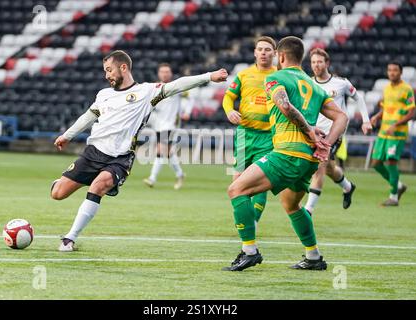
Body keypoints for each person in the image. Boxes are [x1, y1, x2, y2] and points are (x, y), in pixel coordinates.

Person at [51, 50, 228, 252]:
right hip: (93, 153)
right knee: (58, 193)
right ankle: (65, 183)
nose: (106, 75)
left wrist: (208, 76)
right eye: (105, 71)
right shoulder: (104, 95)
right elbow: (88, 116)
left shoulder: (146, 92)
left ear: (123, 67)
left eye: (109, 70)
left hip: (120, 158)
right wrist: (67, 135)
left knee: (99, 186)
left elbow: (177, 85)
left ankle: (69, 238)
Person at [224, 36, 348, 271]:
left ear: (280, 57)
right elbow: (343, 117)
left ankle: (249, 251)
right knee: (291, 205)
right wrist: (327, 143)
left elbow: (285, 106)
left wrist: (311, 133)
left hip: (287, 153)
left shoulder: (275, 78)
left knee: (236, 188)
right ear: (301, 58)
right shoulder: (313, 85)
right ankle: (313, 257)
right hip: (309, 160)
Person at [304, 48, 373, 215]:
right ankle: (348, 187)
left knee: (319, 166)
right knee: (329, 168)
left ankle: (308, 210)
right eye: (313, 62)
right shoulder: (308, 83)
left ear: (327, 63)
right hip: (315, 132)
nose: (316, 65)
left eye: (319, 61)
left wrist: (366, 120)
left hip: (334, 133)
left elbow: (358, 98)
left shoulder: (341, 83)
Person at [222, 36, 277, 224]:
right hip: (244, 134)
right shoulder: (244, 75)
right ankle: (245, 219)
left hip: (268, 137)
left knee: (260, 180)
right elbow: (228, 97)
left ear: (275, 53)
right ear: (254, 52)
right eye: (260, 49)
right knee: (237, 181)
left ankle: (251, 223)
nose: (263, 52)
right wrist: (229, 111)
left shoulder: (280, 76)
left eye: (267, 49)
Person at [370, 62, 415, 206]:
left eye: (395, 70)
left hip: (397, 133)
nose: (392, 73)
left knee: (391, 161)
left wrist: (396, 125)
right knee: (376, 163)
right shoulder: (386, 89)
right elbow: (387, 109)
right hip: (384, 131)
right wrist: (377, 116)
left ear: (400, 73)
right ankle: (399, 185)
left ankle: (394, 197)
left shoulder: (407, 89)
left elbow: (411, 112)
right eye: (389, 70)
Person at [143, 63, 193, 190]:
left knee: (161, 150)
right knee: (169, 153)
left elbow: (189, 98)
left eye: (167, 71)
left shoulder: (176, 87)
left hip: (171, 124)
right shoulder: (155, 88)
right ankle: (180, 174)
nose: (165, 74)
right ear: (159, 73)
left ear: (170, 73)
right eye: (162, 72)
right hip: (158, 125)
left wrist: (187, 112)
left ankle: (152, 178)